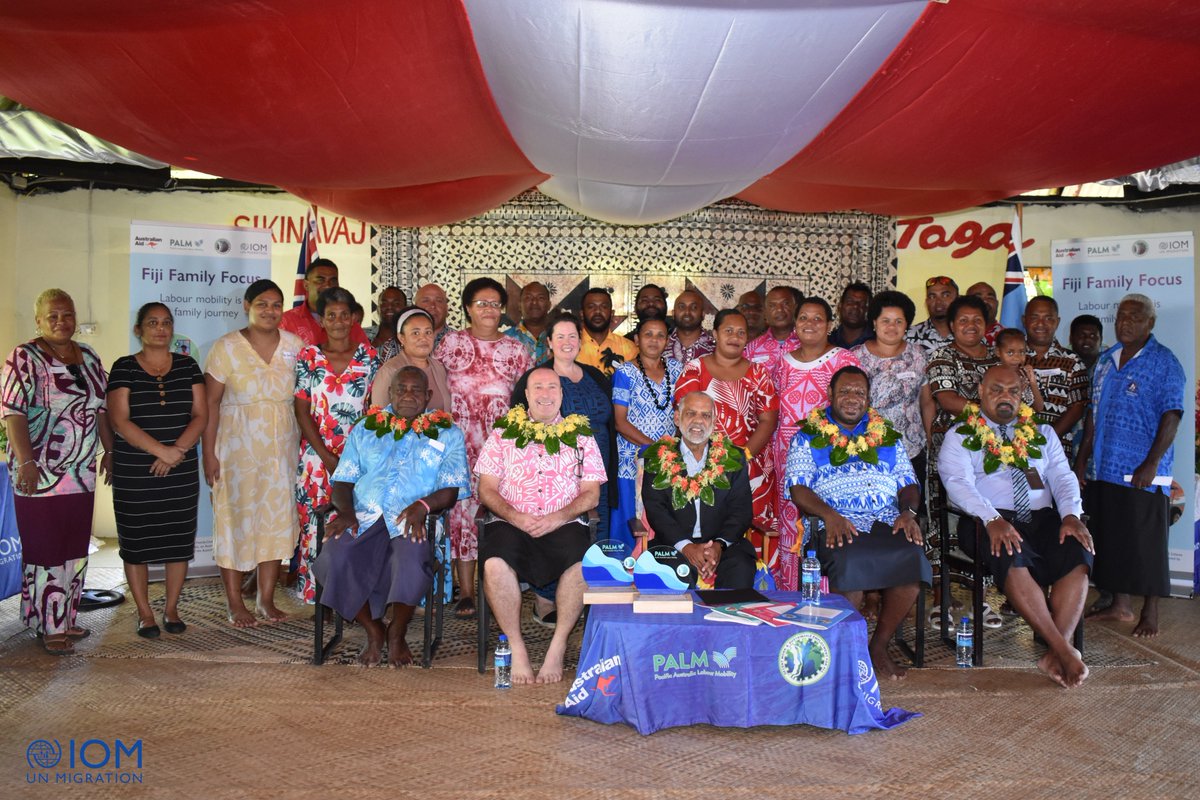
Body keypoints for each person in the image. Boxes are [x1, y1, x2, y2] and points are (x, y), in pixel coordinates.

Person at [939, 366, 1094, 688]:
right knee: (1010, 548)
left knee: (1078, 549)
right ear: (980, 391)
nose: (1005, 397)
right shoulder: (961, 434)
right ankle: (1064, 651)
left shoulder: (1042, 433)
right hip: (986, 519)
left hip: (1042, 517)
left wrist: (1071, 515)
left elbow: (1063, 479)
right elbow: (957, 484)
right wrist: (993, 519)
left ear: (1022, 394)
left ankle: (1057, 650)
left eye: (1012, 390)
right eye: (996, 389)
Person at [315, 367, 469, 666]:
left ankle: (397, 632)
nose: (408, 395)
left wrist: (423, 506)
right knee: (334, 555)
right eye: (401, 389)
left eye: (415, 390)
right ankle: (374, 630)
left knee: (409, 560)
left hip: (410, 520)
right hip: (364, 515)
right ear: (390, 393)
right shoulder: (366, 428)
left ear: (428, 396)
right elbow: (343, 479)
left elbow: (451, 489)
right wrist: (345, 512)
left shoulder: (448, 432)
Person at [786, 366, 931, 680]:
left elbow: (907, 482)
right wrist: (830, 516)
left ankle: (878, 646)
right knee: (849, 562)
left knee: (912, 558)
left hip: (886, 518)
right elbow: (798, 488)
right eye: (845, 392)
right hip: (835, 520)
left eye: (859, 393)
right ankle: (848, 652)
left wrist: (908, 513)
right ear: (831, 396)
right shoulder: (808, 435)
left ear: (868, 398)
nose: (852, 399)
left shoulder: (886, 433)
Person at [476, 367, 607, 684]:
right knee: (494, 564)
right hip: (511, 521)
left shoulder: (582, 436)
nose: (545, 393)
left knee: (581, 564)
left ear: (561, 395)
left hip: (563, 522)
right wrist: (516, 516)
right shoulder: (503, 433)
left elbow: (591, 494)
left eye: (552, 387)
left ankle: (558, 645)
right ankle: (517, 646)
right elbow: (486, 488)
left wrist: (557, 516)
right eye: (538, 387)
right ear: (526, 395)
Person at [2, 289, 112, 655]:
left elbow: (101, 411)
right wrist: (28, 462)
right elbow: (12, 412)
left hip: (80, 471)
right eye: (53, 316)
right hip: (39, 473)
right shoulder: (24, 357)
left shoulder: (91, 356)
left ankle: (62, 618)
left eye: (67, 315)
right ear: (38, 321)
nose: (61, 322)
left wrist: (110, 450)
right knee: (45, 547)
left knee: (73, 547)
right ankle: (50, 625)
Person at [1074, 294, 1183, 638]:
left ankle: (1150, 612)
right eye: (1121, 317)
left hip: (1144, 472)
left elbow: (1172, 415)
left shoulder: (1164, 362)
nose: (1126, 323)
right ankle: (1119, 606)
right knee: (1112, 538)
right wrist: (1081, 462)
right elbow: (1092, 415)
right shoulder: (1106, 360)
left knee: (1146, 542)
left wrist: (1151, 463)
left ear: (1151, 323)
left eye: (1136, 318)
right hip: (1104, 467)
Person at [203, 279, 302, 627]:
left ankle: (266, 599)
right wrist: (208, 454)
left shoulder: (295, 346)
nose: (270, 311)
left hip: (281, 449)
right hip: (234, 449)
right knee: (234, 520)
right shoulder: (225, 347)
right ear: (247, 306)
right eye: (262, 303)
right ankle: (235, 603)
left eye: (276, 304)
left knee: (275, 522)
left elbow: (304, 401)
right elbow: (210, 405)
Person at [107, 302, 206, 637]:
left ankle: (172, 609)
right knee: (136, 543)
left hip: (180, 470)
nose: (160, 328)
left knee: (177, 541)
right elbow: (119, 420)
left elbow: (201, 415)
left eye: (166, 322)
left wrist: (175, 452)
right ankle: (145, 613)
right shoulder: (123, 368)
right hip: (135, 472)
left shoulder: (189, 365)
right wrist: (161, 451)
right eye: (152, 322)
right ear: (139, 330)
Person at [436, 278, 532, 619]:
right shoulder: (449, 344)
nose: (489, 310)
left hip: (501, 449)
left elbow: (526, 401)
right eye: (481, 303)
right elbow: (435, 388)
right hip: (459, 446)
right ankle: (466, 592)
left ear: (503, 309)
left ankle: (500, 589)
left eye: (494, 304)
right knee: (462, 516)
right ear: (467, 308)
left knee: (500, 515)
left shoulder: (517, 350)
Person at [293, 287, 379, 604]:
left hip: (359, 459)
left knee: (354, 522)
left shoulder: (369, 357)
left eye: (345, 314)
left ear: (354, 317)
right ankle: (316, 595)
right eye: (332, 315)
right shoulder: (308, 357)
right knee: (314, 525)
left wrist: (351, 459)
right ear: (322, 320)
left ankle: (350, 596)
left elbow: (374, 411)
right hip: (317, 459)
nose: (339, 321)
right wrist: (328, 457)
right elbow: (302, 410)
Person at [675, 310, 779, 565]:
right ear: (715, 334)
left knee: (747, 532)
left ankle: (752, 592)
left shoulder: (759, 373)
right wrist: (714, 463)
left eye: (741, 332)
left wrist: (740, 458)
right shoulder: (694, 369)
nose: (735, 337)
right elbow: (686, 418)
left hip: (751, 467)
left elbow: (768, 420)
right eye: (728, 331)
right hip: (699, 466)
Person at [772, 296, 859, 590]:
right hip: (783, 458)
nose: (810, 324)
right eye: (803, 318)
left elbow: (855, 411)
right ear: (795, 325)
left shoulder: (844, 360)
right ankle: (788, 595)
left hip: (827, 459)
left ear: (829, 325)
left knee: (822, 524)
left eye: (817, 319)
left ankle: (824, 598)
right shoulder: (782, 361)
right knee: (789, 529)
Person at [511, 314, 616, 544]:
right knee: (563, 539)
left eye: (572, 336)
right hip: (559, 478)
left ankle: (591, 579)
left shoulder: (596, 376)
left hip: (600, 472)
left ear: (580, 342)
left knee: (600, 531)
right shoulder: (536, 379)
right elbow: (519, 425)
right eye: (560, 336)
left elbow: (611, 422)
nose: (567, 342)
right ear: (549, 342)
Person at [642, 391, 756, 589]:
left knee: (741, 568)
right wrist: (686, 546)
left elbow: (741, 510)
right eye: (691, 413)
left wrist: (719, 546)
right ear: (677, 418)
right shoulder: (658, 458)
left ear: (714, 420)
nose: (698, 421)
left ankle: (729, 619)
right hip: (673, 545)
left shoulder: (734, 457)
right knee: (671, 574)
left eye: (705, 415)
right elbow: (656, 511)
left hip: (723, 546)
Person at [611, 317, 682, 548]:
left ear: (667, 341)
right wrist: (656, 448)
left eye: (660, 335)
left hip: (667, 462)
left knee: (661, 519)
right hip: (631, 461)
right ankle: (623, 573)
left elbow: (683, 412)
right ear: (636, 339)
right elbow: (620, 422)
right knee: (631, 521)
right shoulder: (625, 372)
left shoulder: (677, 369)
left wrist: (670, 451)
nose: (654, 340)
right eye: (648, 334)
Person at [852, 290, 931, 495]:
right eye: (885, 320)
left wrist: (931, 440)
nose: (891, 327)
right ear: (874, 322)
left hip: (911, 450)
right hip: (866, 449)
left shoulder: (918, 355)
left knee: (909, 513)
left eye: (898, 321)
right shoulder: (855, 357)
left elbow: (927, 402)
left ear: (907, 325)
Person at [1022, 297, 1088, 456]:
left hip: (1056, 450)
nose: (1041, 323)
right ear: (1024, 321)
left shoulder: (1073, 361)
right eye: (1034, 317)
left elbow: (1076, 409)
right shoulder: (1012, 358)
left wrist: (1043, 441)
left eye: (1048, 318)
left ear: (1057, 322)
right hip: (1013, 449)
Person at [372, 308, 452, 412]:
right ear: (401, 338)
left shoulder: (439, 368)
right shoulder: (390, 371)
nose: (423, 338)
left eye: (428, 332)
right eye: (416, 333)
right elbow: (379, 418)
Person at [279, 258, 370, 348]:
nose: (327, 285)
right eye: (320, 280)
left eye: (333, 280)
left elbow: (366, 358)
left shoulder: (349, 323)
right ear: (306, 285)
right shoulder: (285, 321)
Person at [744, 285, 800, 385]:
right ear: (765, 313)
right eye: (772, 305)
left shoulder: (806, 345)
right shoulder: (752, 348)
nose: (779, 310)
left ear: (795, 309)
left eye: (785, 303)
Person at [577, 287, 638, 376]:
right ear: (582, 314)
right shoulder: (569, 346)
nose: (597, 311)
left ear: (612, 313)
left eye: (604, 307)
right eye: (591, 307)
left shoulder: (630, 348)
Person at [994, 328, 1045, 413]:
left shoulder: (1028, 375)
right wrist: (1016, 391)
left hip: (1026, 423)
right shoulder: (993, 376)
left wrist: (1033, 382)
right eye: (1010, 353)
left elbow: (1039, 408)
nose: (1017, 358)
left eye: (1021, 352)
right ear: (998, 352)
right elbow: (996, 408)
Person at [906, 275, 958, 354]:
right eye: (932, 296)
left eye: (945, 295)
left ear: (958, 299)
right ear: (926, 302)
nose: (938, 302)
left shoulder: (970, 334)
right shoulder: (909, 336)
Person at [504, 281, 552, 363]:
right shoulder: (505, 339)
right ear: (519, 306)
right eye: (528, 298)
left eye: (540, 298)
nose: (534, 302)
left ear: (549, 305)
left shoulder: (561, 338)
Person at [666, 289, 715, 363]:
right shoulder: (661, 345)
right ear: (673, 313)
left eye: (694, 307)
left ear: (703, 314)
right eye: (682, 307)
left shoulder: (715, 349)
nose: (687, 312)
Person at [829, 282, 873, 349]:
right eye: (850, 302)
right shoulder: (829, 342)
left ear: (867, 310)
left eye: (861, 304)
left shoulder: (877, 341)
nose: (855, 306)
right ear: (840, 306)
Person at [416, 283, 454, 351]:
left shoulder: (461, 342)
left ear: (446, 308)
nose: (432, 306)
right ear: (415, 308)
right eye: (426, 301)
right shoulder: (402, 341)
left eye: (439, 301)